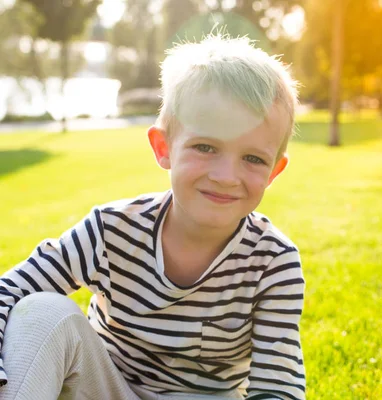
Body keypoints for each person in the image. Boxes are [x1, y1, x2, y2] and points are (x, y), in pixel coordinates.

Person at [0, 34, 305, 400]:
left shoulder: (274, 261)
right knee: (40, 311)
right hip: (108, 390)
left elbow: (278, 386)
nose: (226, 175)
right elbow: (12, 289)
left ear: (274, 171)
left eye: (253, 158)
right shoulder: (109, 230)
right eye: (205, 147)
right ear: (164, 149)